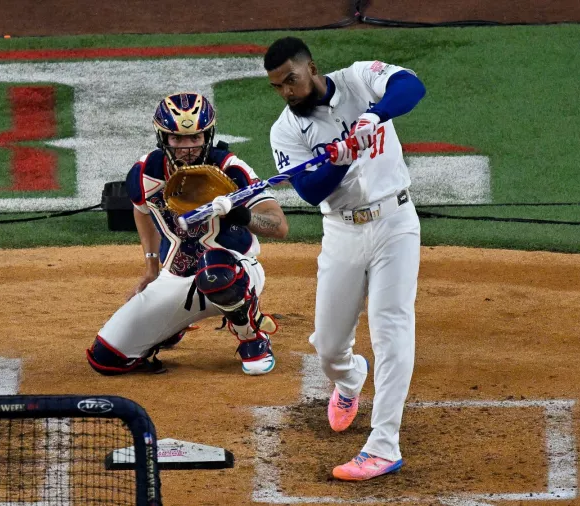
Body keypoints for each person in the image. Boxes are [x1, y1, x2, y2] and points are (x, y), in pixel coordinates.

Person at [264, 37, 426, 480]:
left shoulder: (357, 79)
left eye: (291, 81)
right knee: (330, 346)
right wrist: (343, 156)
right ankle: (350, 378)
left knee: (391, 324)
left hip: (395, 222)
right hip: (341, 231)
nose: (287, 92)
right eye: (278, 86)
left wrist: (374, 114)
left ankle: (383, 444)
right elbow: (311, 190)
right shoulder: (286, 130)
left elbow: (411, 86)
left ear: (310, 68)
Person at [86, 92, 290, 376]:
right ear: (163, 138)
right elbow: (142, 211)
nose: (188, 147)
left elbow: (278, 226)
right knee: (106, 359)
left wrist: (239, 213)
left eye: (195, 138)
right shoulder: (145, 173)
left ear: (207, 135)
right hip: (177, 278)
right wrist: (150, 268)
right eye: (178, 139)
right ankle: (171, 326)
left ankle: (252, 335)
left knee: (214, 269)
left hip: (235, 271)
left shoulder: (231, 169)